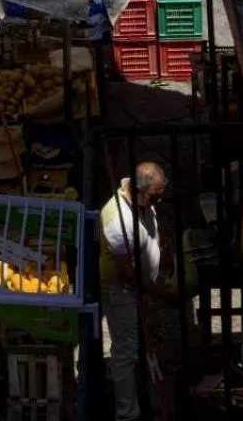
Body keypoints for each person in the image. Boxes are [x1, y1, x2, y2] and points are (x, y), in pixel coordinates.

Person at [101, 162, 174, 421]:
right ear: (136, 190)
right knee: (126, 352)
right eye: (154, 196)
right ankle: (127, 413)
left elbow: (151, 233)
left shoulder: (144, 200)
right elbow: (126, 274)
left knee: (142, 345)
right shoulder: (117, 221)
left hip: (141, 287)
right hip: (121, 292)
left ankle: (145, 397)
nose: (158, 201)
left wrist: (162, 256)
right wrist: (161, 293)